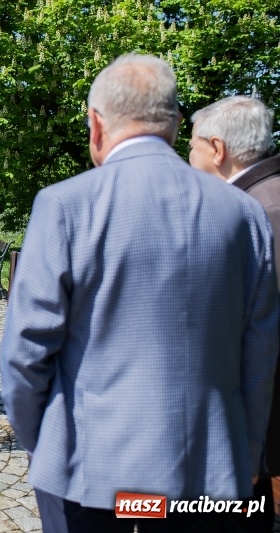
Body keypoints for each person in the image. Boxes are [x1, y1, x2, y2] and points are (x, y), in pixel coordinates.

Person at [0, 53, 279, 533]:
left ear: (95, 124)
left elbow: (25, 354)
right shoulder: (242, 213)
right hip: (207, 474)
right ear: (171, 124)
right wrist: (248, 452)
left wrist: (40, 440)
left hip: (88, 474)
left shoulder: (64, 205)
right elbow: (259, 352)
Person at [189, 95, 280, 531]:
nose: (188, 156)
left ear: (218, 149)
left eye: (192, 146)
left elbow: (261, 336)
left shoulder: (260, 213)